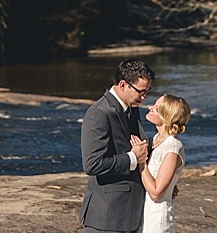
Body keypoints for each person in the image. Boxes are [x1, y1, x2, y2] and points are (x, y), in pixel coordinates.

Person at [79, 58, 155, 233]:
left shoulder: (131, 107)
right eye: (141, 92)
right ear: (123, 85)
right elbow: (92, 164)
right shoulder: (98, 113)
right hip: (108, 216)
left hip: (131, 213)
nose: (144, 97)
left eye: (147, 91)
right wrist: (133, 158)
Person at [137, 94, 191, 233]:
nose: (150, 107)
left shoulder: (173, 147)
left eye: (155, 108)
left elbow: (156, 193)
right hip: (142, 214)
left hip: (157, 220)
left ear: (165, 116)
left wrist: (140, 161)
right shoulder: (155, 139)